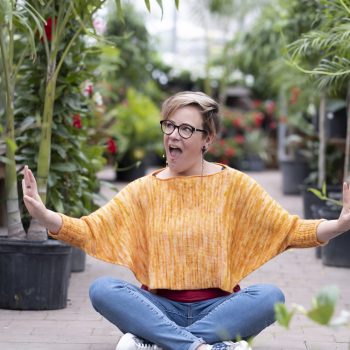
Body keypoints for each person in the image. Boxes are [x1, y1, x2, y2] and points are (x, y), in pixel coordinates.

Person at [22, 91, 350, 350]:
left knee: (270, 297)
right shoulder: (143, 190)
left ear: (208, 139)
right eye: (169, 126)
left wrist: (337, 225)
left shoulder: (234, 184)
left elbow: (289, 230)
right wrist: (45, 215)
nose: (173, 136)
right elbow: (91, 230)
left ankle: (157, 342)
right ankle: (205, 346)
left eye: (186, 129)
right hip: (158, 307)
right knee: (103, 289)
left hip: (219, 308)